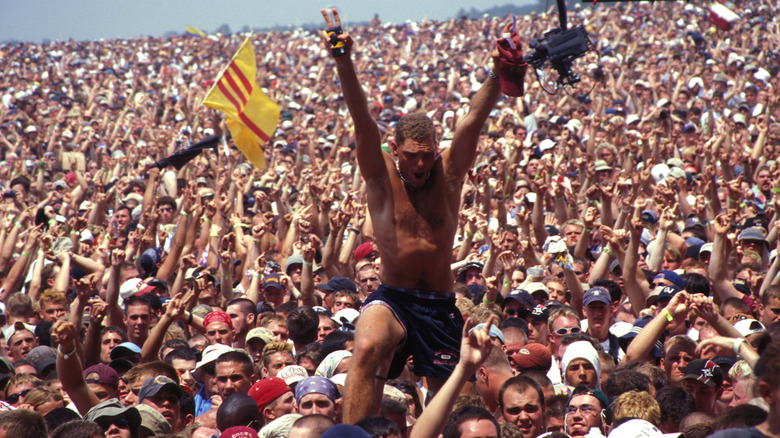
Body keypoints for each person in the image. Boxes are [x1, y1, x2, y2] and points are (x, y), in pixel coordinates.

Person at [321, 8, 503, 422]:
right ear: (395, 150)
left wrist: (497, 71)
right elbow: (362, 121)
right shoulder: (382, 176)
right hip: (394, 296)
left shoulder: (449, 172)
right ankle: (353, 435)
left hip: (439, 303)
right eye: (411, 157)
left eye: (427, 156)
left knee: (452, 399)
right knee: (365, 349)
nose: (420, 166)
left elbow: (473, 121)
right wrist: (343, 60)